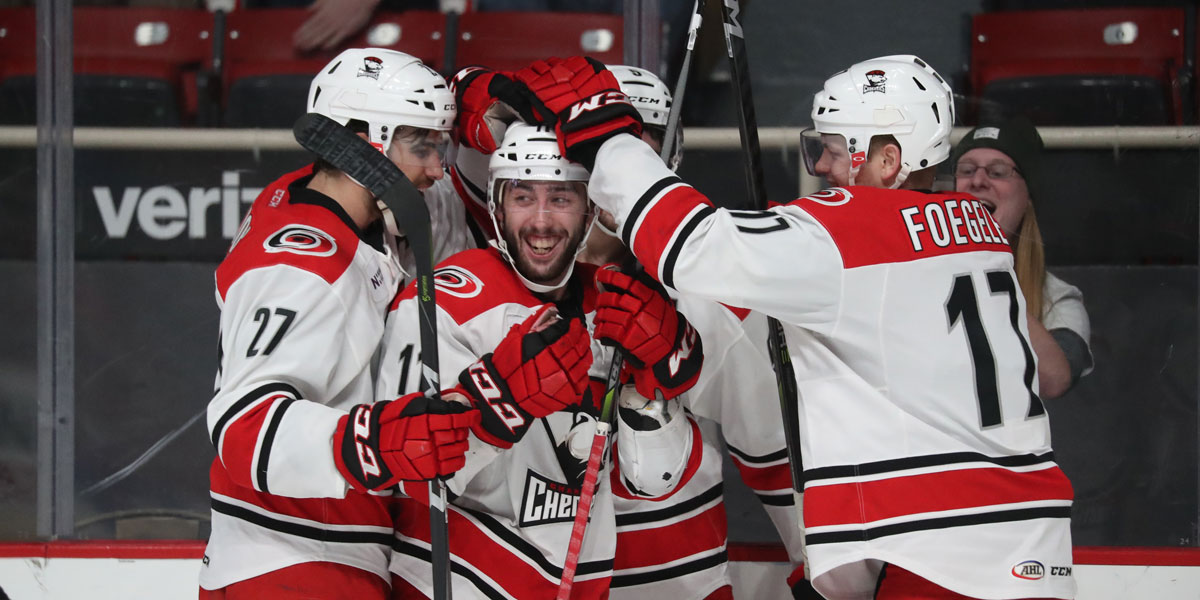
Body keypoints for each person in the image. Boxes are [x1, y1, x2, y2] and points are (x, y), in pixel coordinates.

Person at [519, 54, 1076, 599]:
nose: (822, 169)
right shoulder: (977, 228)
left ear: (888, 159)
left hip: (941, 559)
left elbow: (691, 245)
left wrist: (605, 137)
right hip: (1029, 543)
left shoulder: (854, 233)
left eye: (833, 151)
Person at [200, 47, 487, 599]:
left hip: (327, 550)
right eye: (421, 144)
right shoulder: (304, 265)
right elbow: (242, 425)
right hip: (294, 560)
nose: (435, 167)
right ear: (364, 140)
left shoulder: (318, 199)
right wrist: (374, 442)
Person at [379, 123, 707, 599]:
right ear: (494, 205)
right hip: (461, 581)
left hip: (576, 583)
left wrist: (650, 393)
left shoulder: (617, 305)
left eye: (561, 198)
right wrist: (502, 397)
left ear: (590, 208)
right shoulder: (442, 301)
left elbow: (653, 482)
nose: (541, 220)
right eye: (523, 197)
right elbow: (411, 477)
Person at [584, 64, 811, 600]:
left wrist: (824, 576)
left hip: (678, 584)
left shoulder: (721, 292)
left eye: (646, 149)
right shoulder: (519, 270)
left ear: (673, 157)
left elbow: (777, 463)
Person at [953, 116, 1094, 400]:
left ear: (1028, 196)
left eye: (998, 172)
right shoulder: (913, 271)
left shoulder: (1057, 299)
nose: (978, 181)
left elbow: (1054, 379)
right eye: (966, 170)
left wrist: (985, 264)